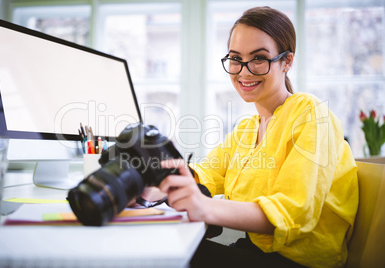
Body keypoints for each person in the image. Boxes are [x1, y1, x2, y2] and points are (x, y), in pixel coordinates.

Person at [149, 6, 358, 268]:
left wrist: (205, 207)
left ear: (287, 61)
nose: (244, 71)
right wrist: (153, 184)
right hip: (254, 254)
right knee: (162, 248)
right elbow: (208, 173)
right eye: (235, 58)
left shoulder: (311, 114)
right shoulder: (247, 128)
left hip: (299, 263)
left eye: (259, 58)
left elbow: (293, 212)